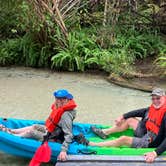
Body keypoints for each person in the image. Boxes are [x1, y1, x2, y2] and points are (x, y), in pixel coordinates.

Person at [76, 88, 166, 163]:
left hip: (153, 141)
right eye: (153, 99)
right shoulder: (153, 108)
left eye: (158, 98)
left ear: (164, 98)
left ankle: (92, 144)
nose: (155, 101)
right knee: (130, 119)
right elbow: (139, 111)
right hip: (147, 132)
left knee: (123, 139)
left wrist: (155, 153)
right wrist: (122, 116)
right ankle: (104, 132)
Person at [0, 89, 77, 161]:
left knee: (31, 132)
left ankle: (10, 135)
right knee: (35, 126)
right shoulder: (60, 107)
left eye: (59, 99)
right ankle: (11, 131)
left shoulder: (66, 115)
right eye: (56, 99)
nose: (56, 101)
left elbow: (68, 134)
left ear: (65, 100)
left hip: (56, 138)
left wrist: (63, 151)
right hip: (52, 131)